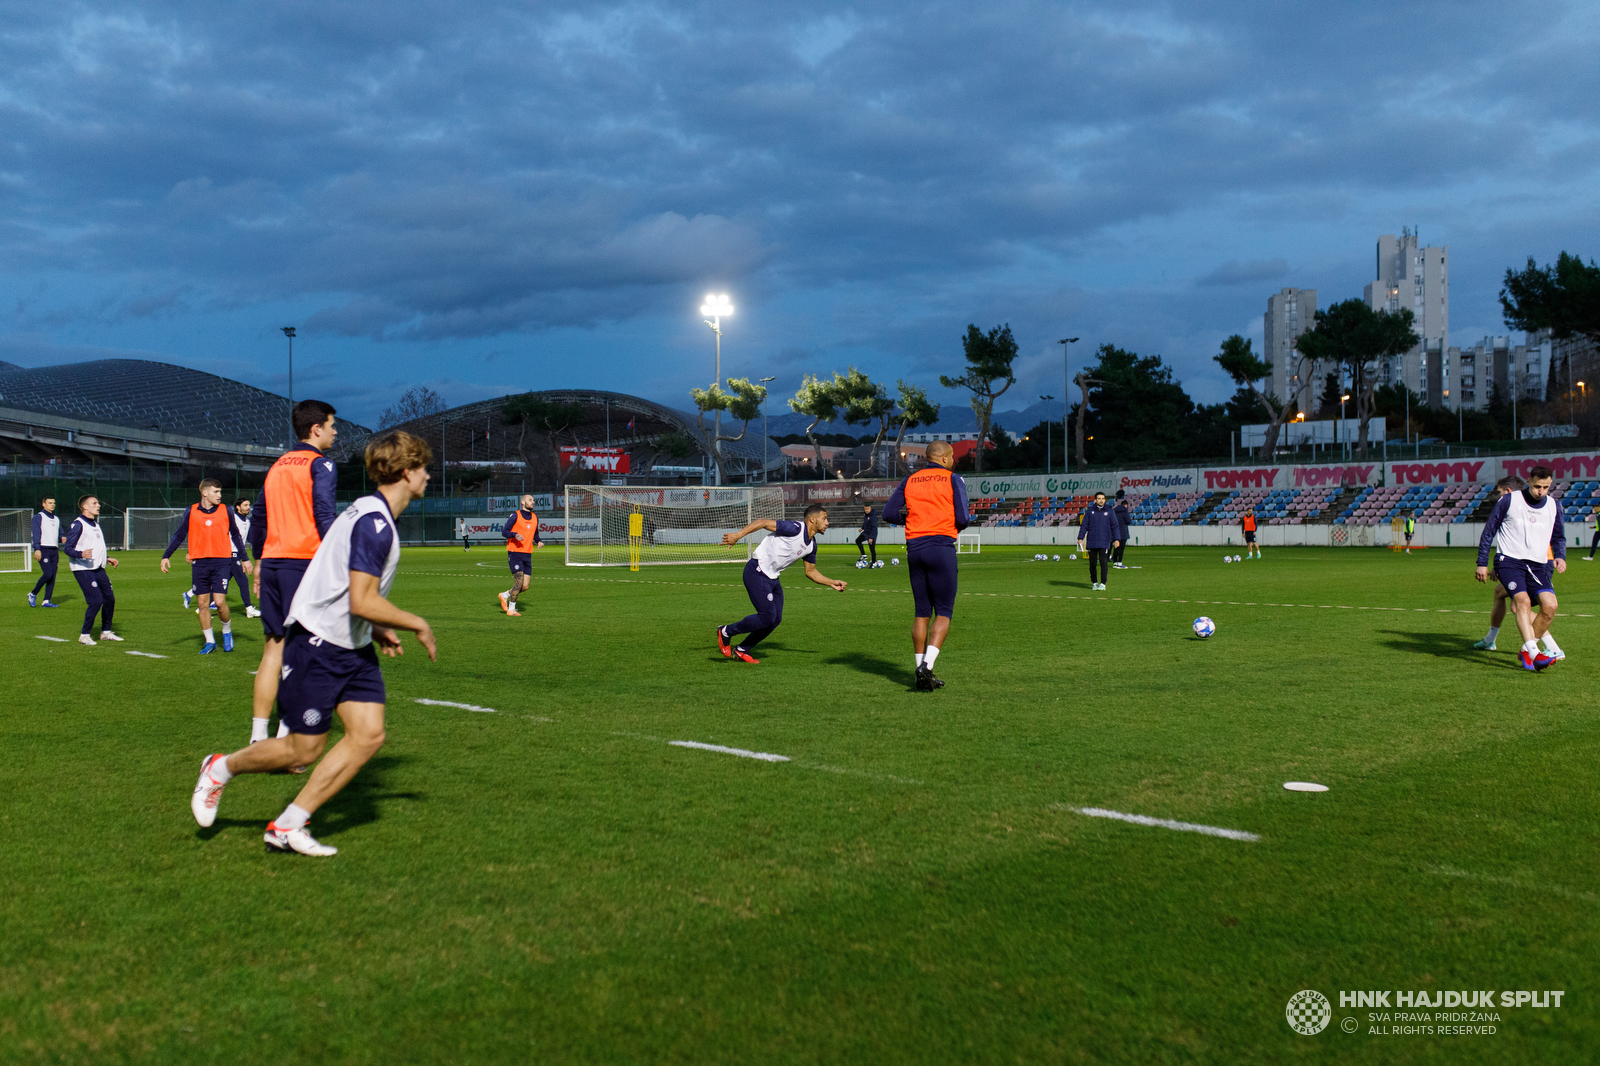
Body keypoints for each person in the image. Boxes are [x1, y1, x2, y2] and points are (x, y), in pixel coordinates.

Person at [189, 430, 437, 857]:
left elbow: (346, 587)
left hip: (351, 646)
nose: (428, 476)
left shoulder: (372, 515)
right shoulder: (375, 523)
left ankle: (288, 825)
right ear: (405, 472)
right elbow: (362, 597)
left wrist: (374, 627)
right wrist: (417, 622)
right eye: (423, 468)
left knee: (367, 735)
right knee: (301, 750)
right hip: (318, 643)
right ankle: (220, 768)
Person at [247, 400, 341, 744]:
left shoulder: (278, 465)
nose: (335, 431)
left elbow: (258, 517)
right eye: (332, 425)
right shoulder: (321, 465)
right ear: (316, 429)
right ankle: (288, 734)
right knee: (305, 653)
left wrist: (259, 560)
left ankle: (259, 736)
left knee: (273, 650)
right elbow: (324, 516)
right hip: (303, 566)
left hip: (272, 564)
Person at [883, 440, 969, 690]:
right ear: (943, 458)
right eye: (951, 456)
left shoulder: (909, 480)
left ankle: (921, 673)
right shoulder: (953, 479)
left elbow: (888, 513)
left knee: (922, 611)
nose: (953, 460)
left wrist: (911, 517)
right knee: (944, 611)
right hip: (941, 548)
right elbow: (963, 517)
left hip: (915, 550)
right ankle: (927, 666)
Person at [716, 504, 846, 663]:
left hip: (772, 578)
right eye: (824, 518)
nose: (827, 522)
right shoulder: (794, 528)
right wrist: (738, 535)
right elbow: (763, 522)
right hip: (756, 571)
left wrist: (831, 582)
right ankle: (726, 631)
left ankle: (743, 649)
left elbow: (810, 572)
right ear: (812, 519)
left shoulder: (812, 545)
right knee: (766, 616)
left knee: (775, 619)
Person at [1476, 465, 1565, 671]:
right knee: (1521, 601)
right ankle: (1535, 654)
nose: (1540, 491)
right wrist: (1482, 563)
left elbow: (1559, 536)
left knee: (1550, 606)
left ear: (1550, 485)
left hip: (1538, 565)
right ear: (1528, 481)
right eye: (1536, 486)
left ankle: (1527, 649)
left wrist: (1560, 556)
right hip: (1510, 561)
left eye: (1545, 487)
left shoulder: (1554, 505)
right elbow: (1489, 531)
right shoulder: (1509, 501)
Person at [161, 478, 251, 653]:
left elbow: (235, 535)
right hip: (199, 563)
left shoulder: (226, 510)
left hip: (221, 561)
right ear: (205, 492)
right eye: (216, 492)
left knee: (219, 602)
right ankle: (210, 641)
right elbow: (179, 535)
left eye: (220, 492)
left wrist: (245, 558)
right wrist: (166, 556)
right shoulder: (191, 511)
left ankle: (226, 632)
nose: (220, 495)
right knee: (202, 604)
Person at [63, 495, 123, 646]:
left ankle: (106, 632)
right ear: (85, 507)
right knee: (96, 600)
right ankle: (84, 635)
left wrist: (107, 557)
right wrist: (80, 554)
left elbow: (96, 546)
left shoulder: (95, 525)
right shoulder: (78, 524)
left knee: (110, 598)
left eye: (98, 502)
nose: (98, 505)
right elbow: (67, 548)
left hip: (97, 568)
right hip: (83, 568)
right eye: (94, 503)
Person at [499, 495, 542, 616]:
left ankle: (504, 595)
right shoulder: (515, 515)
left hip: (527, 554)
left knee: (525, 586)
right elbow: (504, 532)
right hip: (515, 553)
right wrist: (515, 535)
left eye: (533, 500)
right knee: (518, 583)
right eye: (530, 500)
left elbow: (535, 533)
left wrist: (539, 541)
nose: (533, 502)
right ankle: (511, 609)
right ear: (522, 502)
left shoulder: (534, 517)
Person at [228, 497, 262, 619]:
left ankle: (203, 607)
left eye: (249, 505)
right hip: (231, 554)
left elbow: (248, 539)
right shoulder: (233, 519)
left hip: (236, 555)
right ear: (238, 507)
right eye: (245, 505)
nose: (248, 507)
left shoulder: (247, 522)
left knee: (222, 584)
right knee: (243, 581)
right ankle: (249, 609)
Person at [28, 495, 65, 608]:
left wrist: (62, 538)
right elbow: (36, 534)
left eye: (53, 503)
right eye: (49, 503)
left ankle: (46, 601)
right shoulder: (39, 517)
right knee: (48, 573)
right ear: (44, 504)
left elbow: (60, 534)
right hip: (43, 549)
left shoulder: (56, 519)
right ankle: (33, 593)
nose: (52, 504)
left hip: (54, 550)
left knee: (52, 576)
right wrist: (37, 549)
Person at [1077, 490, 1118, 590]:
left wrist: (1117, 539)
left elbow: (1115, 526)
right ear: (1095, 500)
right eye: (1099, 499)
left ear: (1105, 500)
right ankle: (1094, 582)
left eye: (1103, 499)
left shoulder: (1109, 511)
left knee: (1104, 562)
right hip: (1092, 541)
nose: (1101, 500)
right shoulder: (1090, 511)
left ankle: (1103, 583)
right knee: (1092, 563)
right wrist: (1080, 537)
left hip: (1104, 541)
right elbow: (1084, 525)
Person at [855, 501, 881, 567]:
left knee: (872, 548)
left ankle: (874, 562)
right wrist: (862, 528)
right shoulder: (866, 515)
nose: (866, 510)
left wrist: (871, 537)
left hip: (872, 534)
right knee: (858, 540)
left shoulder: (873, 516)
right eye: (865, 509)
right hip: (866, 533)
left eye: (867, 509)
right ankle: (863, 555)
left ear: (870, 508)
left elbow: (874, 527)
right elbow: (866, 523)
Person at [1111, 490, 1131, 568]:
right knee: (1121, 548)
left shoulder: (1114, 511)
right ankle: (1119, 562)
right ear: (1125, 505)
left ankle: (1115, 562)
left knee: (1116, 547)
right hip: (1123, 532)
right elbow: (1128, 521)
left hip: (1115, 532)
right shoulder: (1125, 511)